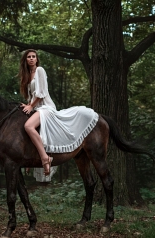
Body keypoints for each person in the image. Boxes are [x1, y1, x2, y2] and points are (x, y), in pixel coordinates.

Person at [19, 49, 99, 177]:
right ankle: (30, 158)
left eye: (34, 56)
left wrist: (30, 106)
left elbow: (42, 93)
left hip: (45, 108)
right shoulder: (28, 75)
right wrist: (28, 105)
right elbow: (31, 95)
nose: (32, 58)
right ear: (25, 60)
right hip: (36, 108)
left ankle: (45, 158)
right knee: (26, 125)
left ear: (37, 59)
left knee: (28, 126)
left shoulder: (40, 70)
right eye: (29, 57)